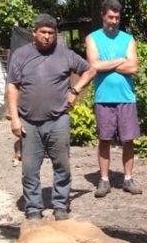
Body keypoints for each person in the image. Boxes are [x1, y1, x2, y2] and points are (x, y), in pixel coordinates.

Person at [6, 14, 96, 220]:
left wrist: (74, 91)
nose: (47, 37)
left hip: (58, 120)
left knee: (62, 166)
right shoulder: (21, 55)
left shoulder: (65, 54)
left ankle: (60, 206)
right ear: (34, 33)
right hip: (29, 122)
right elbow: (13, 86)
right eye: (43, 32)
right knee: (29, 170)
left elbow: (90, 71)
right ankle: (33, 209)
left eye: (51, 33)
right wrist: (14, 118)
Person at [86, 0, 142, 197]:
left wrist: (106, 63)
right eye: (110, 17)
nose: (114, 21)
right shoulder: (93, 38)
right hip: (104, 98)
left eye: (117, 17)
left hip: (126, 98)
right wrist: (120, 60)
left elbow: (134, 67)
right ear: (103, 16)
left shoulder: (128, 39)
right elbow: (94, 65)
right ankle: (103, 180)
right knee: (104, 139)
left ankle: (128, 179)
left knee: (128, 140)